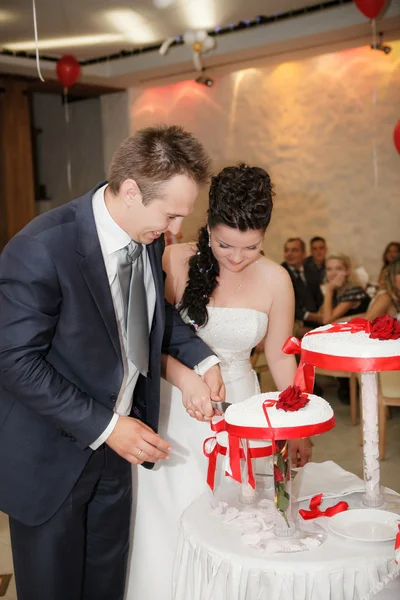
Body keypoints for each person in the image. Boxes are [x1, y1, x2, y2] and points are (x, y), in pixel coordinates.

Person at [0, 125, 225, 600]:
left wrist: (201, 363)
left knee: (106, 586)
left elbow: (152, 315)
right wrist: (107, 426)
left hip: (118, 454)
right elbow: (14, 361)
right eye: (170, 215)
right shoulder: (41, 248)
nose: (177, 231)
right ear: (130, 191)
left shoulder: (149, 238)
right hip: (50, 458)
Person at [125, 164, 312, 600]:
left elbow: (279, 358)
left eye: (250, 247)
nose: (235, 257)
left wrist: (295, 423)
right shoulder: (174, 260)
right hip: (175, 406)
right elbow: (149, 343)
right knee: (169, 515)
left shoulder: (276, 279)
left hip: (240, 409)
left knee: (236, 523)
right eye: (225, 243)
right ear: (207, 226)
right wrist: (187, 377)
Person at [281, 237, 324, 336]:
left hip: (315, 319)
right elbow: (284, 305)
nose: (289, 254)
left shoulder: (310, 271)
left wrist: (321, 312)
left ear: (304, 253)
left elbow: (318, 297)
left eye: (294, 250)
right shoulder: (281, 273)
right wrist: (309, 316)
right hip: (293, 321)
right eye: (286, 250)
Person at [321, 253, 370, 325]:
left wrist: (328, 290)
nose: (333, 273)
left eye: (338, 269)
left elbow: (326, 321)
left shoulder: (354, 290)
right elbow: (323, 316)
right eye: (329, 269)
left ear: (348, 271)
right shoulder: (336, 289)